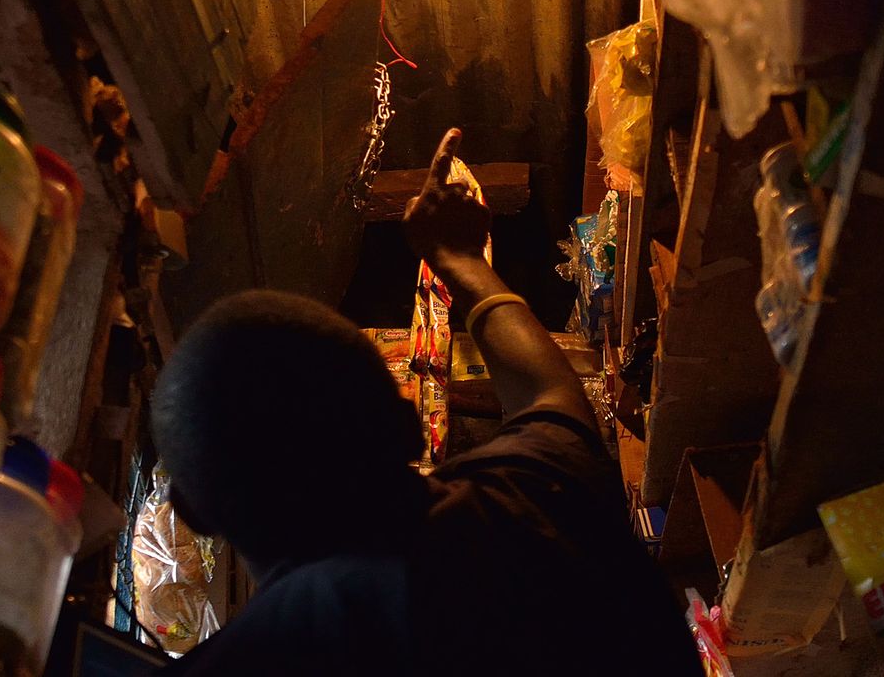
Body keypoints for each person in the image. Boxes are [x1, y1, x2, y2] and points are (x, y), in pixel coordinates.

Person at [151, 129, 702, 675]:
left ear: (193, 512)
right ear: (408, 429)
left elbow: (548, 400)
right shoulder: (537, 500)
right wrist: (460, 259)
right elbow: (551, 395)